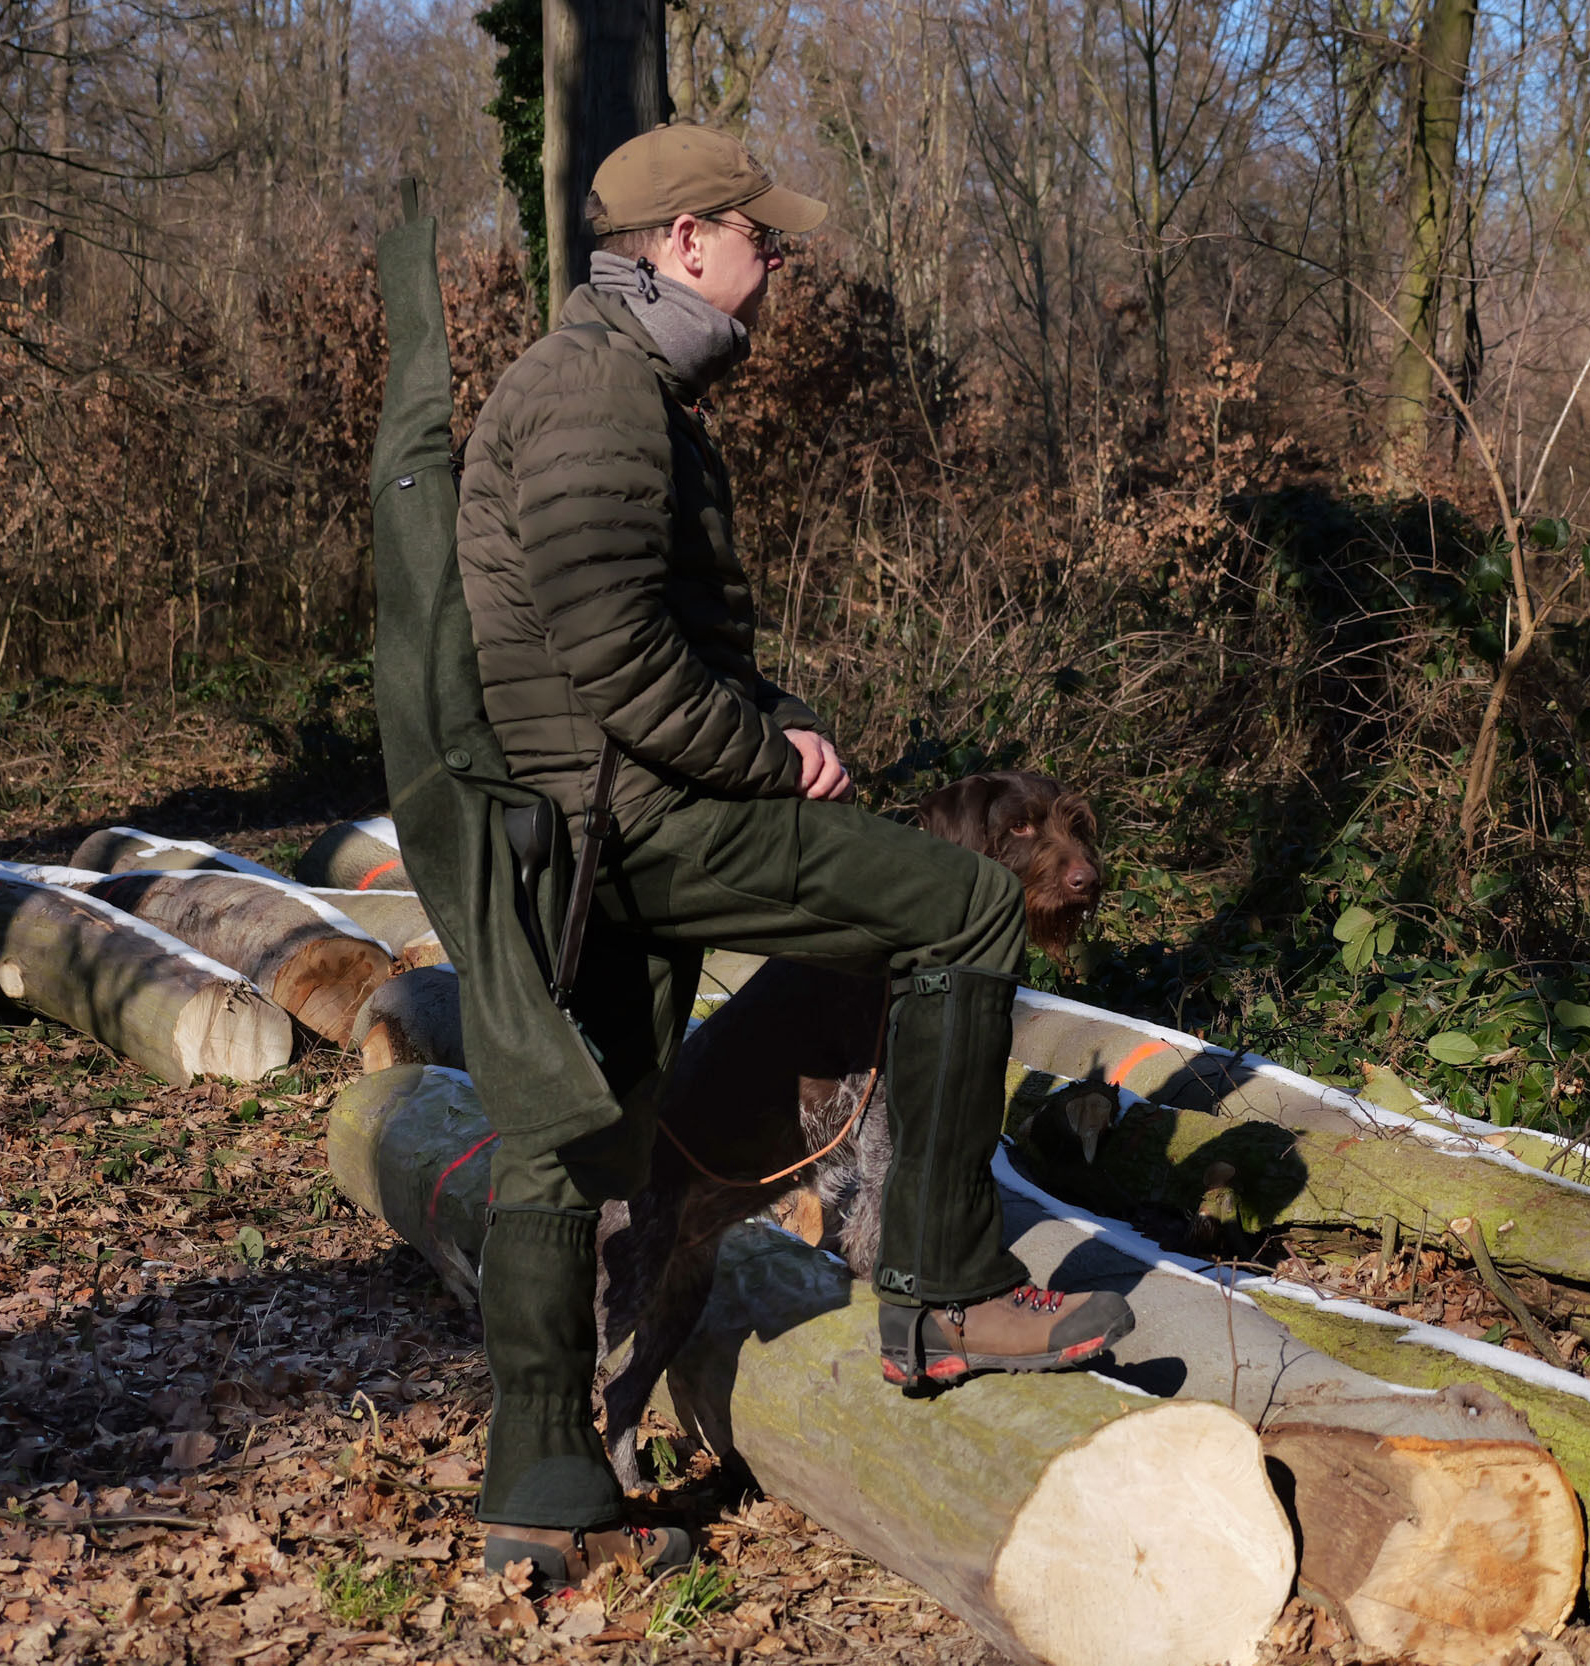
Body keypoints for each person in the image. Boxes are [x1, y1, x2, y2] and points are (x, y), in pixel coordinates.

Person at [453, 124, 1135, 1586]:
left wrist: (781, 717)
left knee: (585, 1130)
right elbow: (614, 655)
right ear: (685, 240)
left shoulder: (622, 381)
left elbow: (665, 640)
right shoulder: (593, 392)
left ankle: (545, 1492)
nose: (775, 268)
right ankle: (943, 1292)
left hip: (596, 816)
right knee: (964, 901)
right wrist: (764, 758)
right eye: (762, 241)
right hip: (630, 817)